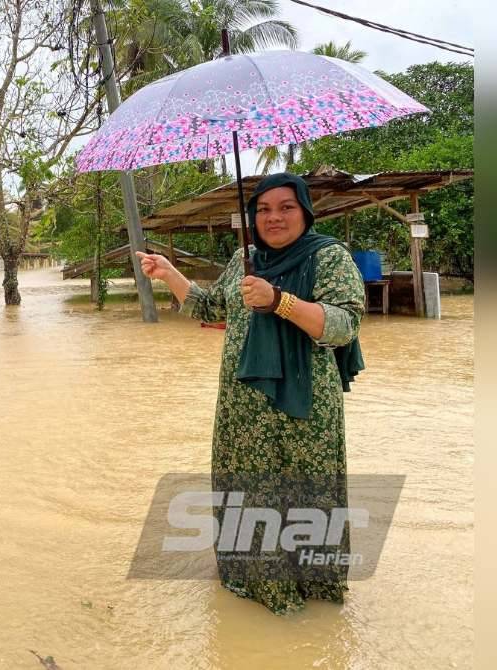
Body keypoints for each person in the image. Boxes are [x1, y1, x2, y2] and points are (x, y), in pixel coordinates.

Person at [136, 172, 366, 615]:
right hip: (242, 411)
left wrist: (279, 300)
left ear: (305, 211)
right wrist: (169, 274)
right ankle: (252, 584)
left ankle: (311, 591)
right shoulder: (246, 258)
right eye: (263, 209)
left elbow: (343, 325)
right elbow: (209, 308)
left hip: (304, 409)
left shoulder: (328, 257)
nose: (273, 217)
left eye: (285, 207)